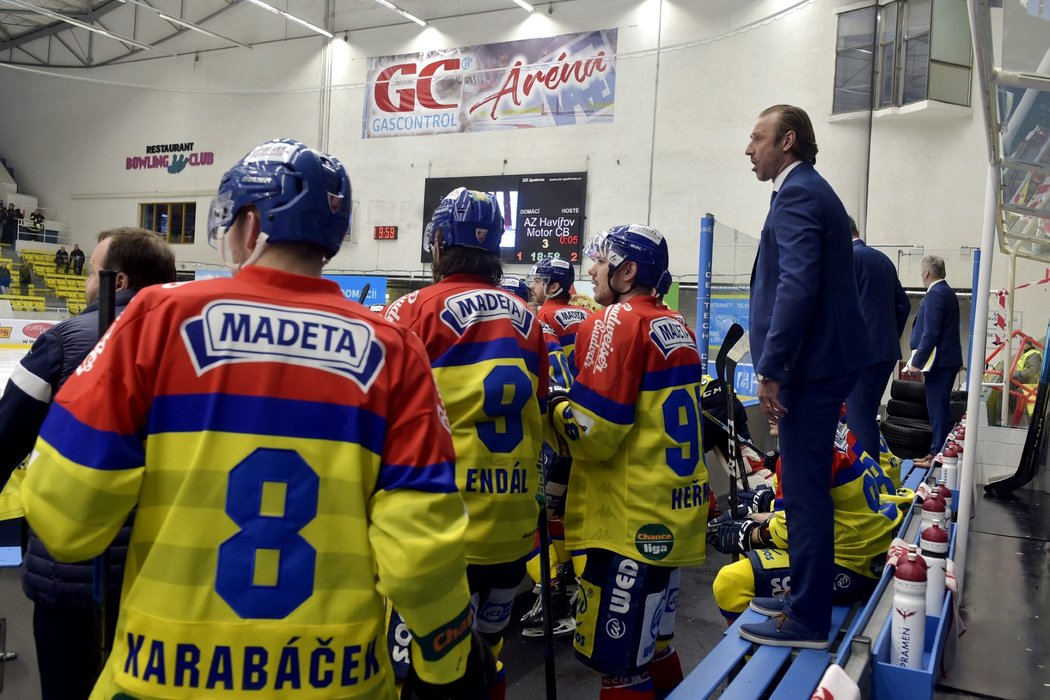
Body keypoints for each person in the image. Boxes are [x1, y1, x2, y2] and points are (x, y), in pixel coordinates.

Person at [20, 139, 486, 700]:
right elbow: (422, 548)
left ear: (247, 223)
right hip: (337, 680)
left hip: (160, 677)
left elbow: (67, 516)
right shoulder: (395, 349)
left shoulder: (158, 318)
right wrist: (446, 657)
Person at [0, 227, 177, 700]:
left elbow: (6, 435)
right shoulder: (198, 348)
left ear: (118, 282)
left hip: (74, 572)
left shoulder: (65, 340)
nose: (83, 284)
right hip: (167, 573)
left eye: (90, 273)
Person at [384, 188, 547, 699]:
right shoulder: (529, 319)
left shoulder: (411, 310)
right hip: (513, 529)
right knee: (485, 660)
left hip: (442, 536)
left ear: (437, 243)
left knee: (413, 676)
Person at [548, 224, 710, 700]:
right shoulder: (676, 324)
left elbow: (594, 434)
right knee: (655, 649)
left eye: (601, 259)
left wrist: (553, 406)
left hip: (628, 525)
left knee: (620, 668)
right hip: (671, 516)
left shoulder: (615, 321)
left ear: (628, 270)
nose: (593, 269)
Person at [741, 104, 869, 649]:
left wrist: (772, 367)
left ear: (787, 141)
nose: (749, 149)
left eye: (758, 137)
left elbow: (796, 286)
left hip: (809, 370)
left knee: (804, 491)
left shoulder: (797, 194)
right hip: (823, 364)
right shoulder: (813, 191)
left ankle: (809, 615)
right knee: (804, 484)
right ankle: (805, 593)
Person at [709, 413, 908, 624]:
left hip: (852, 568)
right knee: (749, 557)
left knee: (730, 582)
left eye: (774, 387)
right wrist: (766, 510)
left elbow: (794, 531)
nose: (765, 401)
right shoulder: (829, 424)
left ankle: (757, 654)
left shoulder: (801, 443)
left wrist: (751, 533)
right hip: (869, 547)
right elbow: (823, 505)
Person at [519, 256, 593, 638]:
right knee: (561, 516)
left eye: (540, 279)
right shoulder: (584, 317)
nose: (534, 285)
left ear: (553, 286)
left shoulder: (542, 319)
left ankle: (553, 596)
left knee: (537, 518)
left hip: (552, 428)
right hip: (579, 426)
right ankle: (571, 592)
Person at [844, 215, 910, 459]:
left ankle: (868, 479)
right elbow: (902, 305)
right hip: (885, 352)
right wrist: (888, 337)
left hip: (859, 354)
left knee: (858, 417)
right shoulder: (883, 261)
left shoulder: (846, 260)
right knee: (867, 412)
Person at [905, 255, 963, 464]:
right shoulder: (947, 292)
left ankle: (938, 453)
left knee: (936, 409)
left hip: (940, 363)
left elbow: (931, 333)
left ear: (926, 273)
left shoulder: (936, 294)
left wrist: (916, 363)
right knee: (939, 407)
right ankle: (937, 451)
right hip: (945, 361)